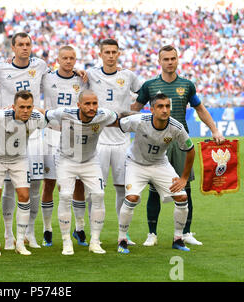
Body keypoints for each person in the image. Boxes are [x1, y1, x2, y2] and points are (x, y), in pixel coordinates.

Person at [131, 45, 225, 246]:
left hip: (180, 143)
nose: (170, 62)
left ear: (177, 59)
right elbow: (134, 110)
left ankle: (186, 232)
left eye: (173, 58)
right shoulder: (149, 86)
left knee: (185, 187)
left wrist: (214, 130)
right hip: (155, 143)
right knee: (154, 189)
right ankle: (152, 234)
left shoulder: (187, 85)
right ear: (160, 61)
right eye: (166, 59)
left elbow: (200, 109)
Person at [0, 32, 50, 250]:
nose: (25, 48)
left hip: (31, 133)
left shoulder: (40, 65)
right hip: (6, 131)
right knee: (7, 190)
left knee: (33, 187)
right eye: (20, 44)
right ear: (12, 47)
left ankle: (29, 234)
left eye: (28, 44)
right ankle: (6, 234)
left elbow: (57, 80)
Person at [45, 89, 124, 255]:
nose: (91, 107)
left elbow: (121, 116)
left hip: (90, 160)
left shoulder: (104, 115)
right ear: (78, 104)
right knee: (66, 195)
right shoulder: (65, 113)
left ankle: (95, 241)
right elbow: (44, 114)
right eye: (87, 103)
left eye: (94, 103)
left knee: (99, 195)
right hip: (66, 159)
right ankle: (67, 241)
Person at [117, 93, 195, 254]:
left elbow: (190, 150)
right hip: (136, 164)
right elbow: (118, 123)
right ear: (152, 109)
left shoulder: (176, 127)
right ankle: (122, 239)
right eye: (160, 106)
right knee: (131, 198)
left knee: (182, 196)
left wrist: (184, 178)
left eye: (167, 106)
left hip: (160, 164)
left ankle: (178, 239)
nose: (165, 110)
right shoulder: (139, 121)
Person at [87, 39, 143, 246]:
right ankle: (95, 234)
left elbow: (144, 93)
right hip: (98, 141)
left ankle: (123, 234)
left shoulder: (127, 76)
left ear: (119, 54)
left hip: (121, 141)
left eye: (114, 52)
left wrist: (132, 112)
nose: (111, 55)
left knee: (122, 189)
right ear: (100, 54)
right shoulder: (91, 74)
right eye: (107, 52)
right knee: (96, 191)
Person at [0, 90, 46, 256]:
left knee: (24, 196)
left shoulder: (37, 118)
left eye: (29, 107)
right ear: (13, 107)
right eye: (21, 107)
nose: (25, 111)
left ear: (33, 107)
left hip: (19, 159)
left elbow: (50, 119)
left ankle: (20, 242)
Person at [41, 45, 88, 247]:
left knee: (78, 183)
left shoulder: (83, 80)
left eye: (72, 58)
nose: (68, 61)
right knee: (50, 183)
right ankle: (47, 229)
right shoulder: (47, 77)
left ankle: (79, 228)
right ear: (58, 59)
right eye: (65, 58)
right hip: (52, 134)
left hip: (74, 136)